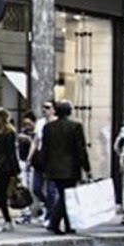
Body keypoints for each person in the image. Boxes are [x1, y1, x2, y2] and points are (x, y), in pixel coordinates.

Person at [39, 100, 90, 235]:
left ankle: (68, 224)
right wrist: (87, 168)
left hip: (53, 167)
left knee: (64, 195)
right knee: (66, 196)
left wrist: (42, 167)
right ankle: (55, 222)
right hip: (70, 167)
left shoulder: (48, 127)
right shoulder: (76, 127)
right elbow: (81, 149)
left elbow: (44, 149)